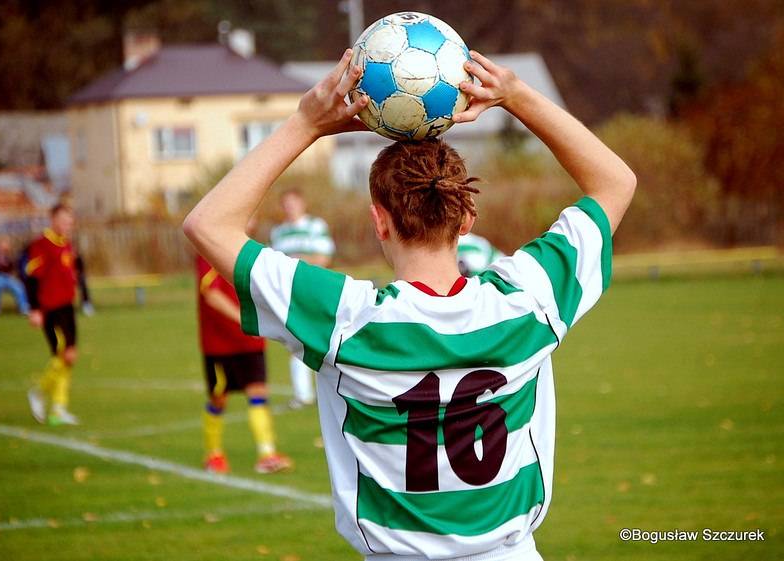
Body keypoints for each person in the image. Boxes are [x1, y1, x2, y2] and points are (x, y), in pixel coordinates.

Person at [183, 49, 635, 561]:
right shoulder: (528, 301)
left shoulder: (345, 320)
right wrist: (515, 95)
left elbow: (208, 224)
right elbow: (616, 182)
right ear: (467, 218)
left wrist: (306, 123)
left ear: (380, 221)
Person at [195, 252, 293, 474]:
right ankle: (214, 454)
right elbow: (211, 293)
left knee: (258, 392)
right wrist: (243, 318)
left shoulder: (251, 250)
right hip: (219, 342)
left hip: (250, 341)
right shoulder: (210, 249)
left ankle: (267, 454)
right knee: (218, 398)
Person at [269, 187, 335, 408]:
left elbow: (324, 258)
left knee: (322, 341)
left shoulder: (316, 226)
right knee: (295, 342)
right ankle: (303, 394)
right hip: (290, 295)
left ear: (302, 203)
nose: (290, 207)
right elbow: (275, 266)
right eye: (286, 203)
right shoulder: (278, 233)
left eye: (293, 202)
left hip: (314, 291)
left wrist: (298, 261)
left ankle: (330, 390)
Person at [25, 203, 81, 426]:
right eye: (64, 220)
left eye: (70, 221)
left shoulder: (66, 244)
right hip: (50, 310)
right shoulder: (41, 245)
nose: (68, 224)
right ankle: (38, 392)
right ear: (53, 219)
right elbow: (31, 278)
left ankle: (58, 409)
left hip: (67, 308)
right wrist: (35, 309)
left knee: (69, 357)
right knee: (60, 355)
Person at [0, 236, 30, 315]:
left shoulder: (7, 257)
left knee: (18, 286)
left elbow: (11, 268)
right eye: (5, 244)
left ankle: (24, 308)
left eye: (7, 244)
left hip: (5, 278)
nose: (6, 246)